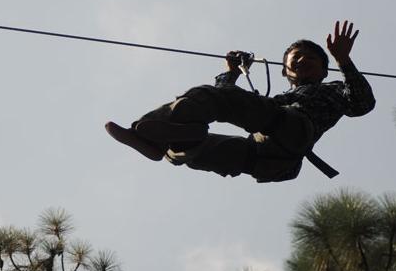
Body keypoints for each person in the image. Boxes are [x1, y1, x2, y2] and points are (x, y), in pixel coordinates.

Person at [105, 20, 375, 182]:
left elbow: (362, 104)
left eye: (311, 58)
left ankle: (155, 135)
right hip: (264, 154)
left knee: (210, 96)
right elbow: (225, 97)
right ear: (285, 71)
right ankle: (170, 144)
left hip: (293, 133)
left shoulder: (335, 88)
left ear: (324, 70)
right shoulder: (279, 100)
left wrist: (343, 59)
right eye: (296, 59)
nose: (302, 60)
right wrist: (232, 72)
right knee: (204, 139)